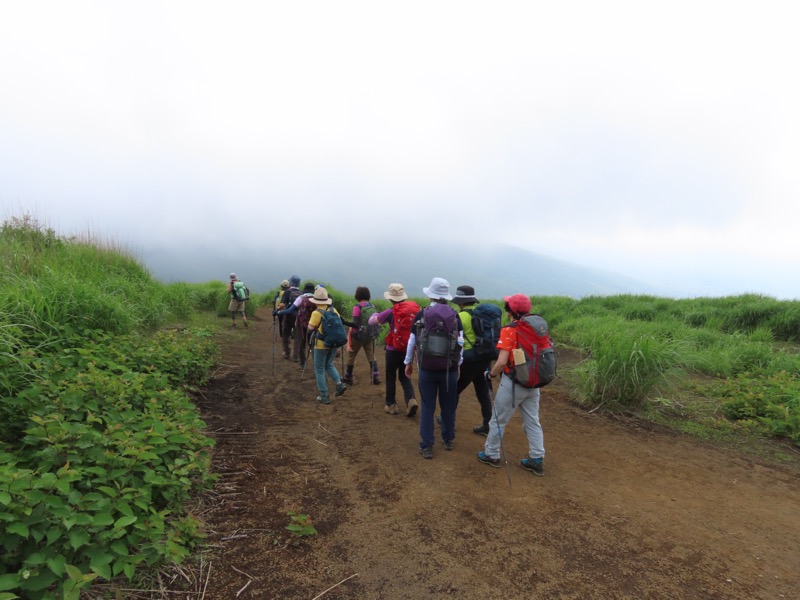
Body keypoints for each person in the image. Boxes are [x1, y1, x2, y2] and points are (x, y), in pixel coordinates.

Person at [477, 293, 546, 476]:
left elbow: (501, 362)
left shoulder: (509, 330)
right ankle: (537, 458)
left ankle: (491, 454)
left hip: (514, 382)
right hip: (534, 381)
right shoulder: (537, 326)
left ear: (510, 311)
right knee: (532, 420)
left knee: (498, 419)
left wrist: (490, 374)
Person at [404, 277, 463, 459]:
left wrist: (408, 363)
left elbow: (412, 341)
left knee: (428, 407)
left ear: (431, 294)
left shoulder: (422, 314)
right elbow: (460, 342)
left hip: (427, 368)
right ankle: (448, 439)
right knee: (448, 405)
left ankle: (427, 445)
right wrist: (458, 364)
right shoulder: (455, 315)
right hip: (449, 370)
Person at [368, 283, 420, 416]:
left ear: (391, 298)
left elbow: (372, 322)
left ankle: (391, 405)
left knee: (390, 377)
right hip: (407, 349)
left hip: (392, 349)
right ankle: (411, 400)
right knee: (405, 377)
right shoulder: (413, 312)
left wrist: (374, 315)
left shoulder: (390, 312)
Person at [452, 285, 493, 436]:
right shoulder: (480, 314)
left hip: (469, 359)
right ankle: (487, 425)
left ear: (460, 302)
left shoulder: (461, 316)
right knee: (482, 392)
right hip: (484, 358)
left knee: (454, 390)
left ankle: (447, 419)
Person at [306, 286, 348, 404]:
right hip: (333, 343)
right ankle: (339, 384)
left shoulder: (316, 313)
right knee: (329, 364)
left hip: (320, 344)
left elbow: (310, 328)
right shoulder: (333, 310)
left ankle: (324, 395)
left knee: (319, 369)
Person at [341, 287, 381, 386]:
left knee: (351, 355)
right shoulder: (372, 306)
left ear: (357, 296)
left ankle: (348, 376)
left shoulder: (357, 307)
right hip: (369, 335)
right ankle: (376, 376)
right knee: (371, 355)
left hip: (357, 336)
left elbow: (355, 324)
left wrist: (344, 322)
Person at [274, 275, 301, 360]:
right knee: (297, 336)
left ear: (291, 283)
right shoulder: (302, 293)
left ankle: (286, 353)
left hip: (288, 315)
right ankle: (296, 356)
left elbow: (282, 305)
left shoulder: (287, 292)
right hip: (299, 317)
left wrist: (277, 310)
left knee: (286, 333)